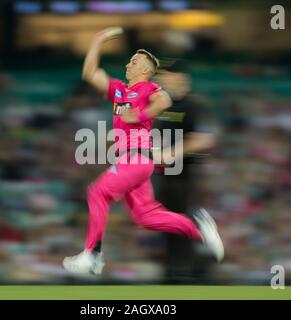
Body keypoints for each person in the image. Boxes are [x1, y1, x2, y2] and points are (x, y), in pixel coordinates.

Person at [63, 27, 223, 275]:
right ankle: (198, 229)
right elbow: (90, 72)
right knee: (145, 217)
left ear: (146, 70)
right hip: (133, 161)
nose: (129, 64)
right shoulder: (119, 90)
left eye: (134, 61)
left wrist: (139, 114)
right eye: (129, 60)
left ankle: (93, 255)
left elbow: (164, 101)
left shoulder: (148, 89)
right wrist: (97, 41)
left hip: (137, 157)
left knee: (97, 192)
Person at [152, 60, 217, 283]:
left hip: (185, 178)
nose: (160, 81)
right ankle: (174, 278)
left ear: (180, 77)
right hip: (165, 178)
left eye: (165, 76)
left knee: (180, 229)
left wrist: (172, 153)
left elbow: (204, 138)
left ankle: (184, 277)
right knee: (169, 231)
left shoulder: (193, 105)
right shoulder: (164, 106)